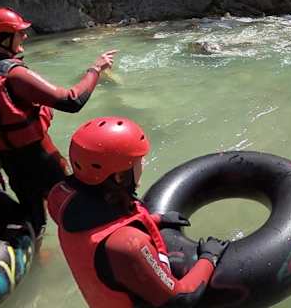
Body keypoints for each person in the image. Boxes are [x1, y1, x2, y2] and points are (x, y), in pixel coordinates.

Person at [0, 6, 117, 234]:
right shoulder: (13, 73)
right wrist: (95, 69)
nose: (24, 36)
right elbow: (71, 101)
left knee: (36, 221)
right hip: (44, 160)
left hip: (12, 166)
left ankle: (41, 255)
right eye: (19, 32)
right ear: (5, 38)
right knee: (78, 211)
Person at [45, 117, 227, 307]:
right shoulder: (128, 245)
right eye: (137, 162)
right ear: (119, 176)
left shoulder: (61, 199)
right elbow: (181, 299)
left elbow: (100, 229)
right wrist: (209, 257)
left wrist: (155, 220)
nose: (143, 166)